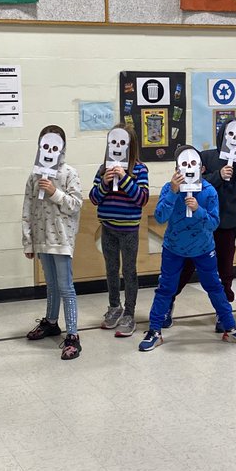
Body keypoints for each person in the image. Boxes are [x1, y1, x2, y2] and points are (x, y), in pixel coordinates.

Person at [139, 146, 236, 351]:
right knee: (165, 288)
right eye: (184, 164)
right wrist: (173, 193)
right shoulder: (169, 188)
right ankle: (155, 330)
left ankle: (230, 327)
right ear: (177, 169)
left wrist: (198, 209)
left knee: (215, 287)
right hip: (174, 248)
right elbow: (160, 217)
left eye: (193, 163)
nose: (188, 168)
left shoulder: (209, 191)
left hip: (203, 249)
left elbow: (214, 223)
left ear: (202, 169)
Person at [167, 119, 236, 331]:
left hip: (225, 225)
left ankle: (222, 312)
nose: (234, 139)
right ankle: (167, 305)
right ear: (222, 134)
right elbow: (193, 181)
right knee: (185, 268)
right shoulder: (206, 157)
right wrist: (218, 175)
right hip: (199, 225)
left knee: (225, 269)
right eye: (230, 134)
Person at [23, 126, 85, 360]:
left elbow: (75, 205)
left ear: (62, 148)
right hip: (42, 241)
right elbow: (28, 208)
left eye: (54, 146)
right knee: (51, 285)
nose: (49, 151)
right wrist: (28, 241)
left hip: (61, 240)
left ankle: (73, 334)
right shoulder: (34, 176)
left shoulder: (69, 173)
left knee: (65, 286)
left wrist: (54, 192)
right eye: (45, 146)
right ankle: (51, 322)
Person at [89, 124, 149, 338]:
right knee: (111, 269)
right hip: (108, 228)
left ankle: (129, 313)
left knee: (129, 271)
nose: (117, 146)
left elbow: (142, 199)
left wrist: (124, 178)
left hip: (129, 230)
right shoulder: (102, 169)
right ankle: (114, 306)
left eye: (122, 142)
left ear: (130, 145)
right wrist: (104, 184)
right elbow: (94, 198)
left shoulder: (140, 169)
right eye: (113, 142)